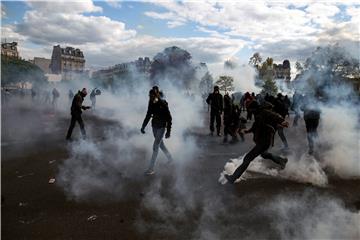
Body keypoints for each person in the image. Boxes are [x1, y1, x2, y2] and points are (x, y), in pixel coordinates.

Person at [225, 101, 289, 184]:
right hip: (263, 141)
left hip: (264, 141)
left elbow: (275, 116)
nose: (250, 110)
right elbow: (256, 126)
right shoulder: (259, 115)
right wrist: (247, 131)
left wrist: (282, 121)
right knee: (264, 154)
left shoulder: (264, 112)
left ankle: (233, 178)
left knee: (247, 158)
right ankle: (281, 161)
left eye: (251, 109)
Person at [141, 88, 173, 175]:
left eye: (152, 96)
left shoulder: (163, 104)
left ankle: (151, 169)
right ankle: (170, 158)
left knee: (155, 146)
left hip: (162, 127)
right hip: (154, 126)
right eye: (150, 96)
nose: (151, 98)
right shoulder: (151, 103)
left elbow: (169, 118)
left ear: (157, 95)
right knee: (161, 145)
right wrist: (143, 126)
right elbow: (148, 115)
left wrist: (168, 131)